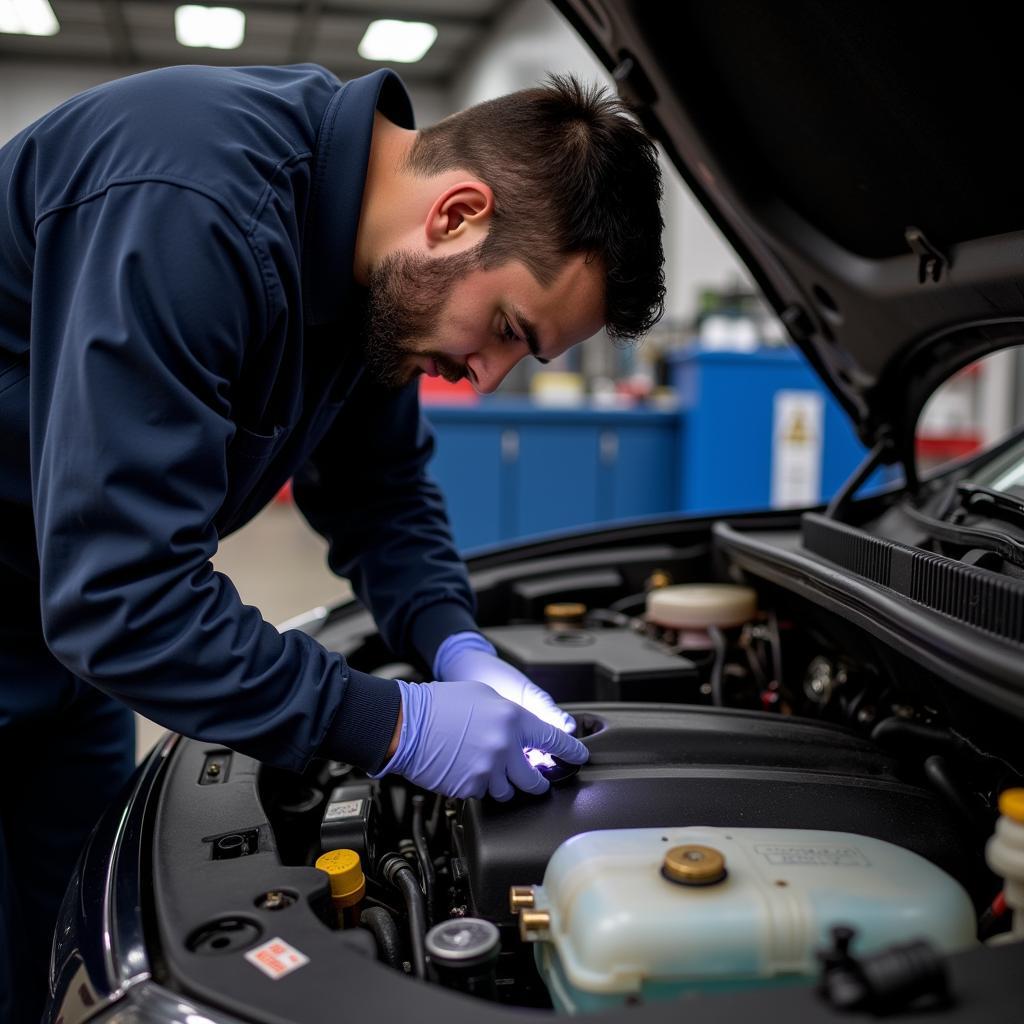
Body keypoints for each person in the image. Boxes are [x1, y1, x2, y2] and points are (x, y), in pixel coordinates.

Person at [0, 62, 665, 1021]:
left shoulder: (380, 279)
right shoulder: (192, 205)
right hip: (46, 608)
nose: (486, 374)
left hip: (59, 650)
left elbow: (381, 492)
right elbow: (126, 598)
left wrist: (452, 640)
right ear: (457, 215)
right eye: (509, 328)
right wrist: (394, 725)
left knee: (65, 963)